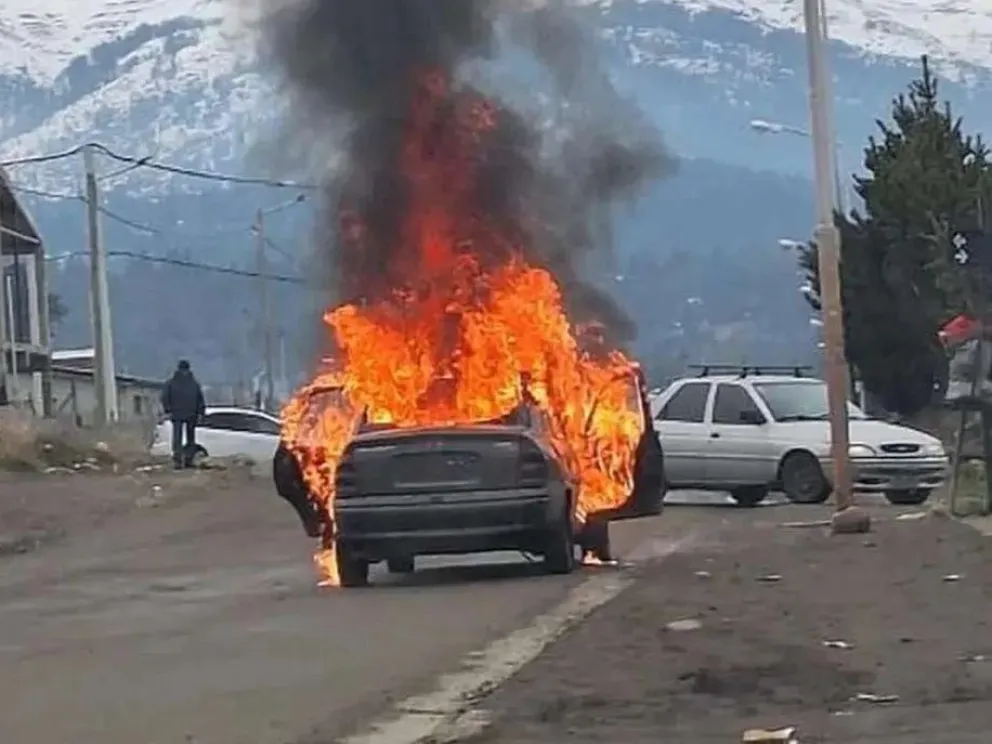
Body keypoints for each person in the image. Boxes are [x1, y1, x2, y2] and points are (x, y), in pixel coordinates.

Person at [161, 359, 205, 468]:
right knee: (187, 439)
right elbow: (200, 399)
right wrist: (200, 412)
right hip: (189, 413)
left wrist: (168, 410)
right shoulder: (194, 383)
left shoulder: (171, 382)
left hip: (179, 413)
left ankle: (180, 460)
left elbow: (165, 397)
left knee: (179, 439)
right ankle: (185, 460)